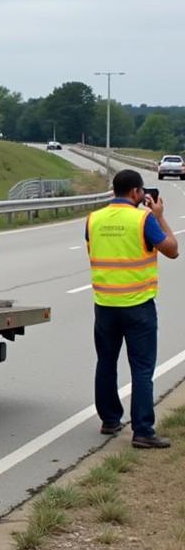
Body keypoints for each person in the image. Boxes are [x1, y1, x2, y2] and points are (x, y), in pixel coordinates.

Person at [87, 168, 179, 447]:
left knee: (106, 363)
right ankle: (142, 431)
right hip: (138, 305)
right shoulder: (144, 219)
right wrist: (160, 215)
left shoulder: (94, 219)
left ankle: (110, 420)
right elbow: (173, 250)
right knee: (141, 369)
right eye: (142, 192)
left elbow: (93, 254)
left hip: (104, 305)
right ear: (136, 192)